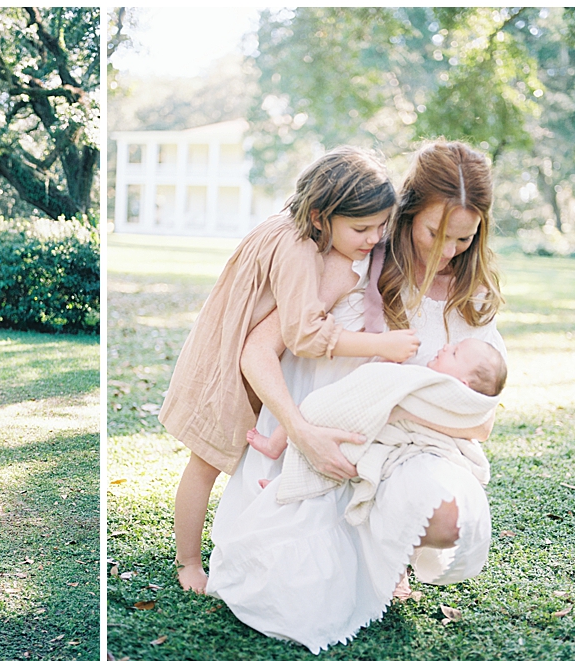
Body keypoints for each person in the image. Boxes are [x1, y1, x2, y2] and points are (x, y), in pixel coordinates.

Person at [205, 139, 506, 653]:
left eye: (463, 237)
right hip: (320, 442)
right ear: (409, 212)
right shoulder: (358, 257)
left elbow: (480, 419)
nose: (448, 250)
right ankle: (355, 544)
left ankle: (390, 548)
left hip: (406, 451)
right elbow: (258, 353)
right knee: (286, 595)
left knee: (449, 517)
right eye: (437, 233)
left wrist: (401, 404)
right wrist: (300, 430)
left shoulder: (469, 295)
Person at [160, 146, 421, 593]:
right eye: (361, 228)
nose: (374, 238)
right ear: (321, 216)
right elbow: (303, 334)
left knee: (209, 464)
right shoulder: (299, 250)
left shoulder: (285, 225)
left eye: (381, 226)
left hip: (219, 350)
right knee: (203, 465)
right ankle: (187, 563)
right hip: (226, 368)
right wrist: (382, 344)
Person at [248, 337, 507, 460]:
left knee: (309, 411)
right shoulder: (428, 381)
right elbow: (384, 379)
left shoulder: (432, 389)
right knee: (314, 427)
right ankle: (280, 466)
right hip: (361, 413)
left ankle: (275, 448)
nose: (445, 347)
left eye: (454, 353)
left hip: (366, 424)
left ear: (461, 385)